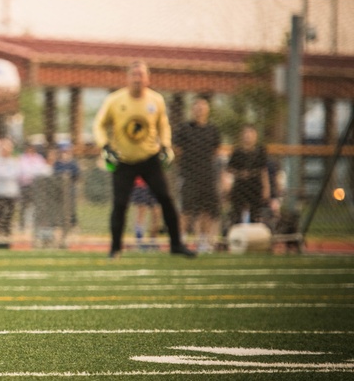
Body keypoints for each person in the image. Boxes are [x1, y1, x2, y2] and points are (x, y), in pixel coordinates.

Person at [92, 60, 195, 259]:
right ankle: (115, 249)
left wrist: (165, 145)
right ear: (128, 78)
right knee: (120, 204)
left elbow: (163, 125)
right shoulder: (115, 100)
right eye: (134, 75)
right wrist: (105, 146)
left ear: (148, 78)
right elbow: (99, 124)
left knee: (166, 199)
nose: (138, 79)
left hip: (150, 159)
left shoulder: (156, 100)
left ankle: (176, 244)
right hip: (123, 160)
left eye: (141, 75)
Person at [173, 97, 222, 252]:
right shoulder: (184, 128)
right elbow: (176, 150)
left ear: (207, 110)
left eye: (202, 107)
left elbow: (216, 151)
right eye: (197, 107)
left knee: (206, 209)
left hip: (207, 175)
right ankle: (180, 240)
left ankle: (203, 242)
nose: (199, 110)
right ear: (192, 110)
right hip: (188, 175)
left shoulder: (212, 130)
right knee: (186, 209)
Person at [226, 124, 270, 226]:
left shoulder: (260, 151)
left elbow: (263, 170)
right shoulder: (237, 151)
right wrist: (238, 175)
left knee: (255, 214)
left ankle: (253, 238)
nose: (248, 136)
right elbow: (229, 169)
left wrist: (266, 187)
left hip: (255, 183)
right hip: (240, 184)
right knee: (237, 214)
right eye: (246, 133)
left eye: (251, 133)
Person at [0, 138, 21, 235]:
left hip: (12, 192)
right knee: (1, 213)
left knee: (10, 215)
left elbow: (16, 173)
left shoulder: (14, 161)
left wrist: (7, 173)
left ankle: (6, 233)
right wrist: (9, 173)